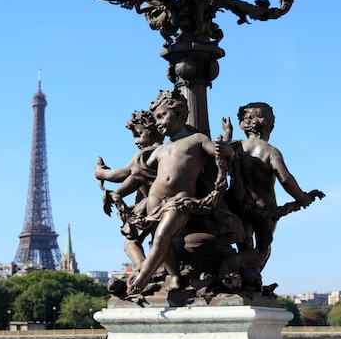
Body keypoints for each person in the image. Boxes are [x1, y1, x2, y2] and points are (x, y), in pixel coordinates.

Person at [127, 89, 233, 295]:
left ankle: (143, 277)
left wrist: (226, 141)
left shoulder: (197, 139)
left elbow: (220, 152)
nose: (157, 122)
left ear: (180, 115)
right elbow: (137, 174)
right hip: (155, 199)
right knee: (158, 240)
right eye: (156, 118)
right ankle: (173, 274)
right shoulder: (160, 149)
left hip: (180, 199)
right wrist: (112, 184)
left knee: (161, 237)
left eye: (161, 116)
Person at [224, 102, 320, 271]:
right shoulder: (270, 152)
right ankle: (241, 268)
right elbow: (286, 179)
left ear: (244, 125)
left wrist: (227, 133)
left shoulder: (236, 147)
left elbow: (221, 152)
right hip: (265, 209)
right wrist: (302, 198)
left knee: (245, 245)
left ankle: (244, 275)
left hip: (239, 206)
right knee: (263, 249)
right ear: (270, 125)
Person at [94, 110, 163, 270]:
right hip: (161, 204)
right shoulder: (166, 151)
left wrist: (101, 172)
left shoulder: (146, 154)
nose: (135, 141)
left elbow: (123, 174)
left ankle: (143, 270)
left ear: (153, 130)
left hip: (150, 206)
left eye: (138, 134)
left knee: (130, 242)